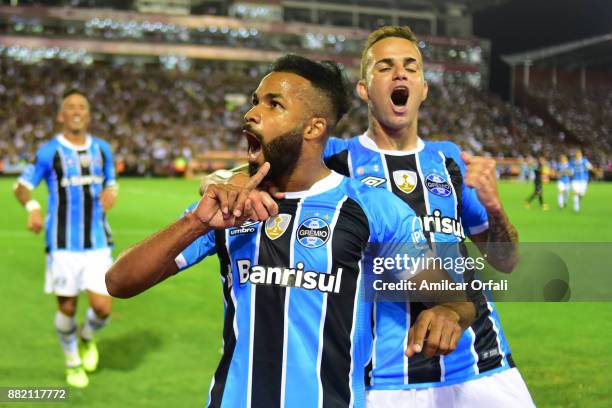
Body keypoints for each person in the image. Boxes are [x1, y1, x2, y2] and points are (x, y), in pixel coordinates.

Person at [106, 55, 476, 407]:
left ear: (314, 127)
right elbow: (119, 283)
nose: (251, 113)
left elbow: (453, 297)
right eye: (255, 102)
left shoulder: (370, 208)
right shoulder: (229, 205)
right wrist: (195, 224)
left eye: (273, 104)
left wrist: (450, 313)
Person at [320, 26, 532, 407]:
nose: (400, 74)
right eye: (385, 67)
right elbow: (267, 162)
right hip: (385, 377)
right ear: (364, 89)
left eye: (410, 67)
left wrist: (495, 208)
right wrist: (231, 179)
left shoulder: (450, 159)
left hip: (481, 361)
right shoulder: (335, 159)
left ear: (423, 88)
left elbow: (506, 261)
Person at [13, 89, 118, 388]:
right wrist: (33, 208)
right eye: (70, 106)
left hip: (98, 242)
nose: (76, 110)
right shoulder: (49, 152)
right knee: (68, 307)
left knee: (103, 308)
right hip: (62, 245)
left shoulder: (102, 149)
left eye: (81, 106)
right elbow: (22, 186)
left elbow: (111, 181)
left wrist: (112, 192)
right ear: (61, 115)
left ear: (88, 114)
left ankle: (86, 336)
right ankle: (72, 361)